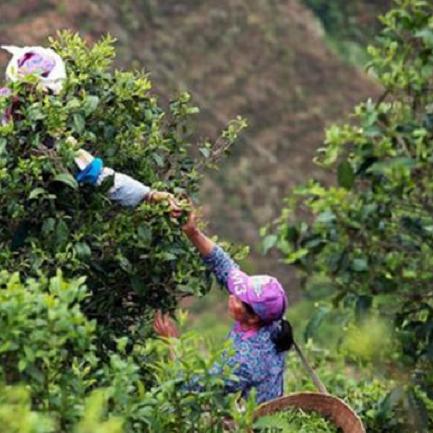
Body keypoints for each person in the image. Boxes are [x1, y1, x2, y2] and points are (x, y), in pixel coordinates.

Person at [76, 154, 294, 404]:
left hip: (257, 420)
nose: (232, 293)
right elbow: (224, 266)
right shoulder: (270, 318)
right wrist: (192, 232)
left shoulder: (246, 360)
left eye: (238, 296)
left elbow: (188, 384)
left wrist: (173, 343)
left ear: (253, 317)